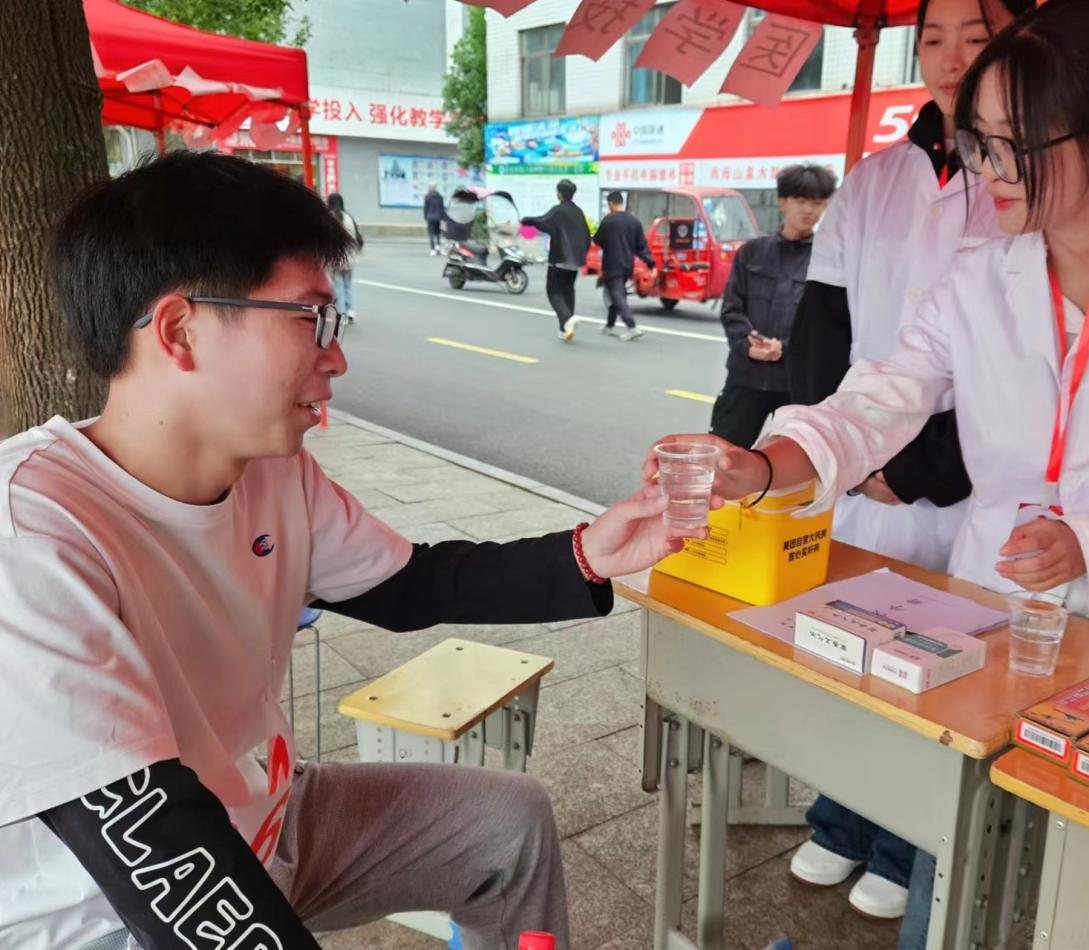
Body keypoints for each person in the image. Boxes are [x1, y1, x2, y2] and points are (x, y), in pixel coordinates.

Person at [652, 8, 1089, 935]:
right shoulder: (983, 277)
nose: (989, 172)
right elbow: (878, 398)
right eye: (979, 143)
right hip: (1000, 628)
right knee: (956, 886)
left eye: (1015, 147)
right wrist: (766, 464)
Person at [0, 151, 710, 950]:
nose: (336, 356)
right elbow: (157, 848)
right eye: (309, 318)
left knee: (507, 822)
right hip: (108, 912)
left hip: (267, 819)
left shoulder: (273, 473)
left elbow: (407, 584)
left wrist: (585, 554)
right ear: (180, 331)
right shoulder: (31, 536)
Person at [782, 0, 1033, 930]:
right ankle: (841, 818)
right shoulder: (874, 179)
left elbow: (1025, 363)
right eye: (933, 37)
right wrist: (836, 454)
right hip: (861, 462)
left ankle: (903, 844)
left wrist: (926, 467)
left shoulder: (1028, 182)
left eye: (977, 34)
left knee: (939, 676)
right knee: (848, 653)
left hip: (962, 483)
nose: (952, 56)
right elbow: (823, 327)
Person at [710, 165, 836, 449]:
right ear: (782, 202)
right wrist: (746, 343)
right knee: (724, 456)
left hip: (796, 384)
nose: (809, 210)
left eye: (818, 203)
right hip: (745, 376)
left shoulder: (828, 261)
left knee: (793, 463)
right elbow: (732, 308)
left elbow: (825, 324)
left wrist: (786, 347)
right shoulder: (752, 252)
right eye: (801, 201)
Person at [522, 179, 593, 342]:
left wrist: (526, 220)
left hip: (560, 258)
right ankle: (565, 328)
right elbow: (586, 236)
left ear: (560, 194)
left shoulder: (558, 210)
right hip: (574, 261)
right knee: (568, 290)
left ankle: (568, 320)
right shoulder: (578, 212)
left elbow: (543, 221)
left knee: (553, 291)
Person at [593, 191, 657, 341]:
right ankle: (609, 326)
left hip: (612, 264)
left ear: (610, 204)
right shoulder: (634, 221)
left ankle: (632, 326)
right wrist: (651, 264)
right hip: (627, 264)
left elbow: (598, 240)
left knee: (616, 294)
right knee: (616, 293)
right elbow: (641, 247)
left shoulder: (609, 220)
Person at [327, 192, 362, 321]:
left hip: (337, 258)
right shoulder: (349, 218)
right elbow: (358, 238)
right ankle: (350, 310)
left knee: (338, 286)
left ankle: (341, 313)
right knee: (347, 285)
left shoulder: (330, 217)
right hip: (350, 257)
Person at [424, 182, 446, 254]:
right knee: (438, 233)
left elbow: (426, 208)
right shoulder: (440, 197)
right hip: (438, 218)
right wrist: (443, 217)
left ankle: (433, 249)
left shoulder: (427, 197)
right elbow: (442, 208)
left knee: (431, 234)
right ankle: (438, 247)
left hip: (430, 218)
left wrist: (426, 217)